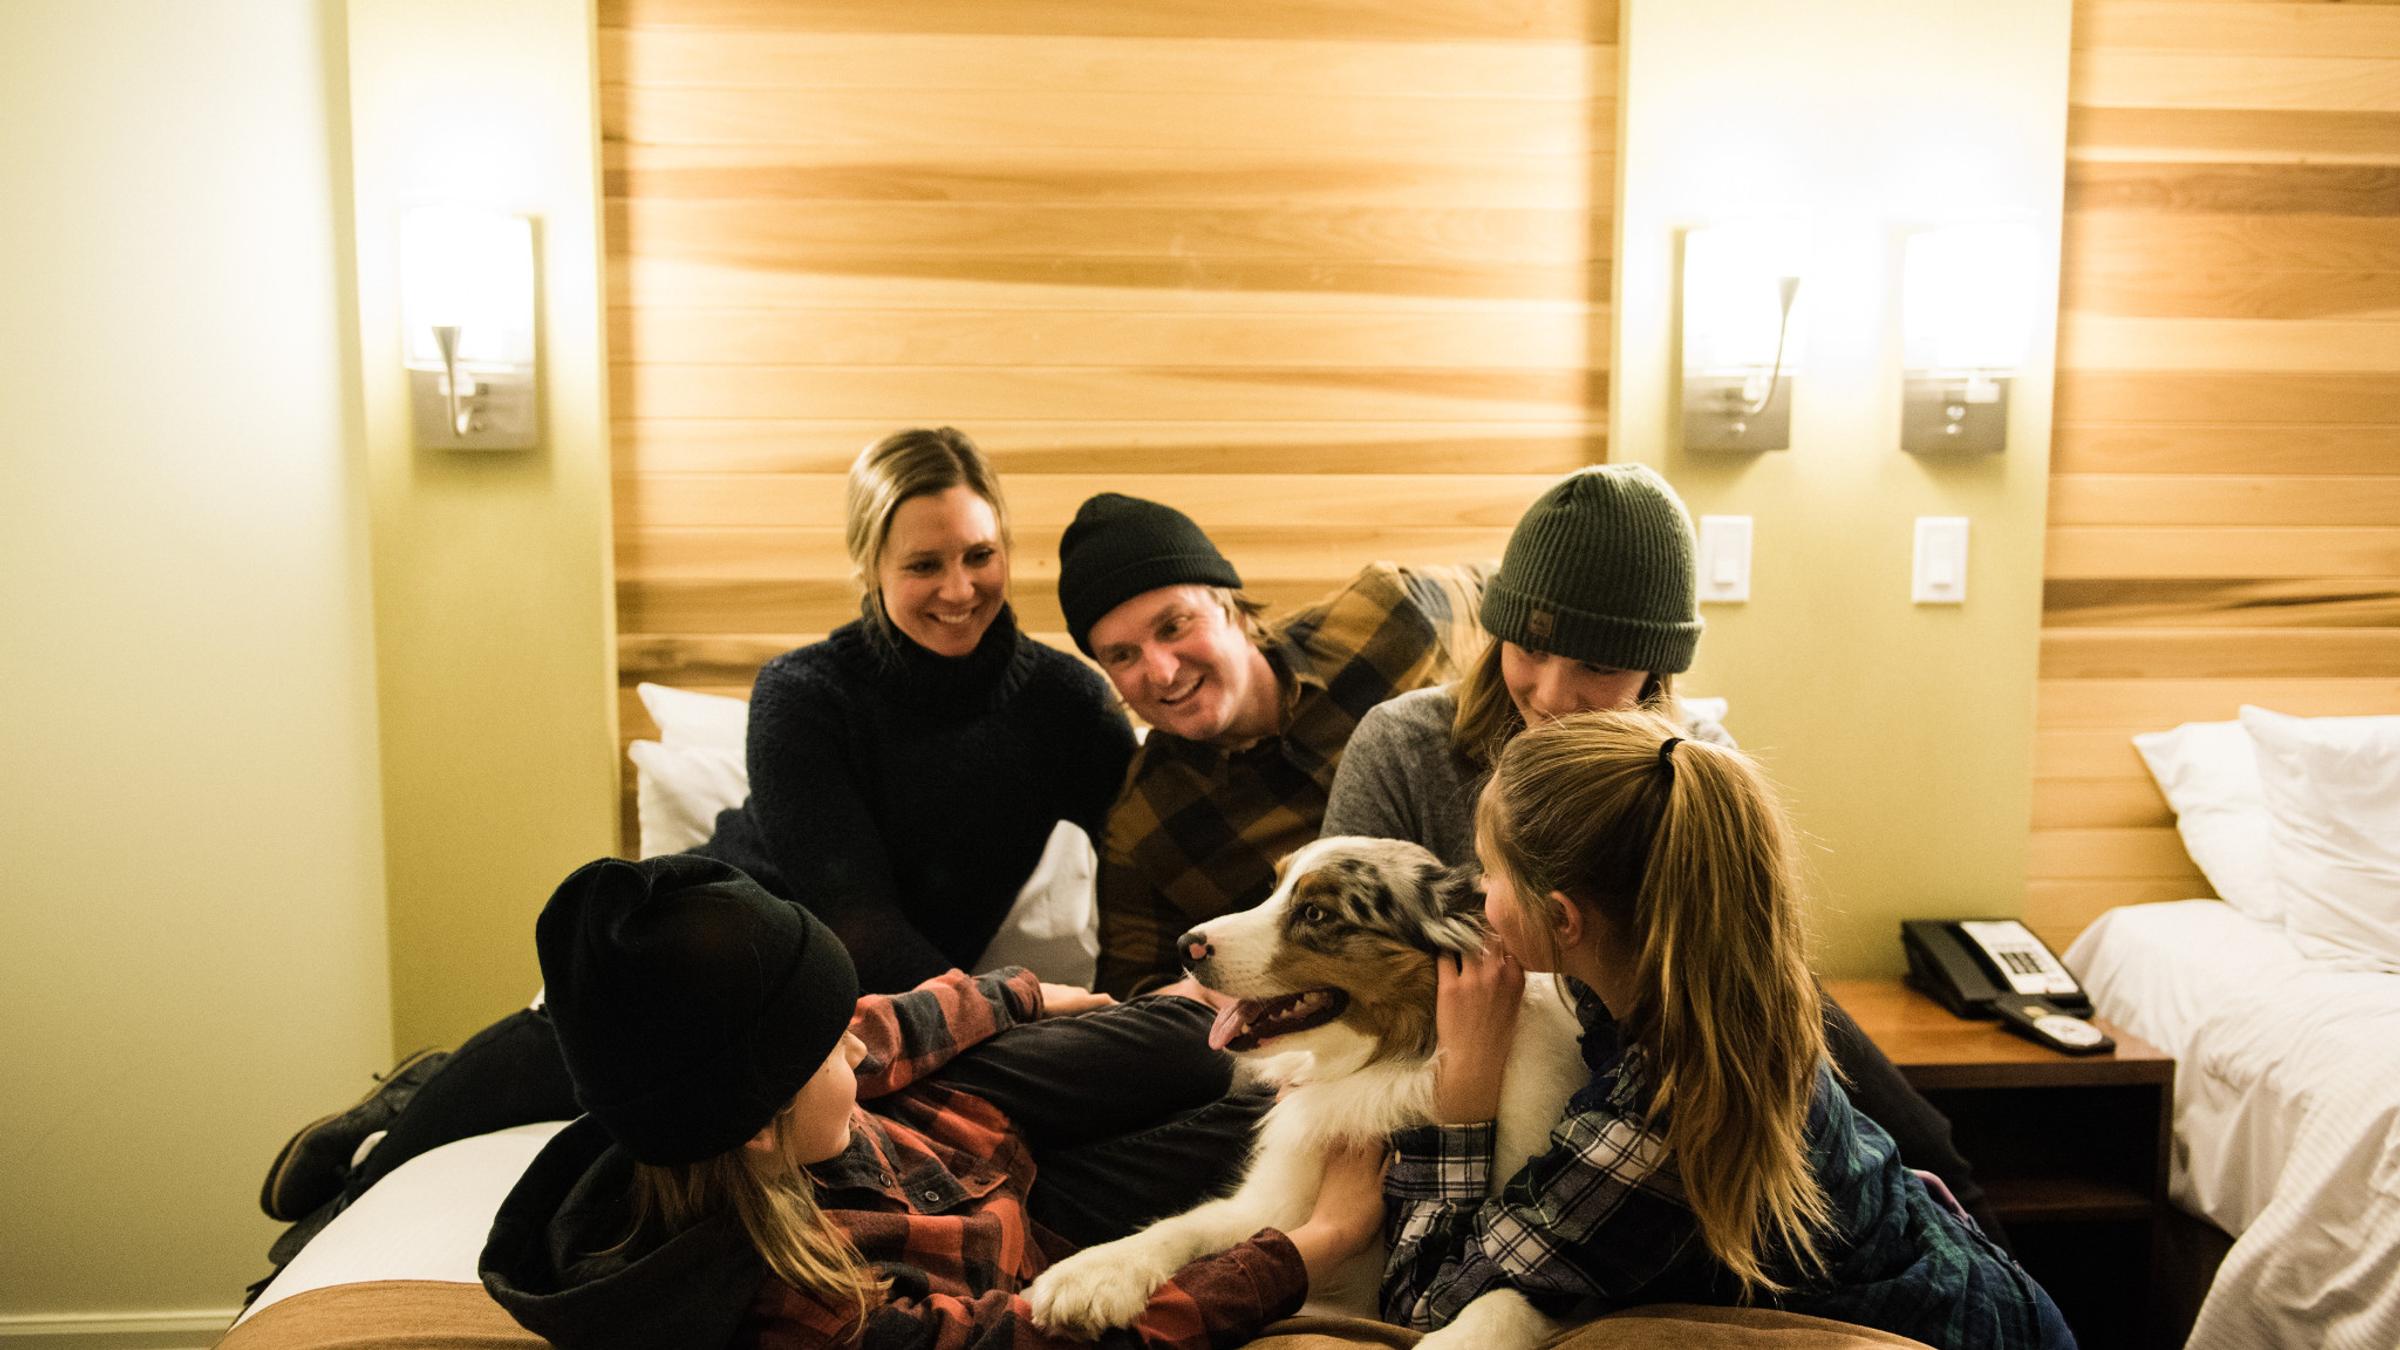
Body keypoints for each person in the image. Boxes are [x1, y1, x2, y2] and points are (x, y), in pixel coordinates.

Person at [258, 428, 1135, 1267]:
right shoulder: (805, 695)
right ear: (867, 566)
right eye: (923, 564)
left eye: (980, 554)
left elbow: (1141, 865)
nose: (959, 587)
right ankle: (364, 1174)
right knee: (583, 1064)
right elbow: (860, 929)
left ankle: (424, 1083)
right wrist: (997, 1016)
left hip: (862, 991)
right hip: (723, 940)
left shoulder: (1068, 710)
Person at [1321, 464, 2007, 1246]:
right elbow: (1340, 958)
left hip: (1657, 1039)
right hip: (1456, 1046)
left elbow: (1743, 965)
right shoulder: (1403, 744)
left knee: (1925, 1145)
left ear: (1656, 669)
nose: (1549, 693)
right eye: (1530, 649)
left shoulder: (1691, 768)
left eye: (1598, 666)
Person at [1346, 711, 2074, 1347]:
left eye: (1490, 870)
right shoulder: (1709, 982)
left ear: (1565, 919)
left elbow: (1424, 1304)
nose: (1476, 890)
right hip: (1980, 1286)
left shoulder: (1659, 1122)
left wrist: (1461, 1094)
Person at [480, 853, 1390, 1350]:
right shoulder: (810, 1310)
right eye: (828, 1042)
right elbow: (1058, 1342)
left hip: (959, 1130)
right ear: (759, 1127)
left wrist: (1021, 995)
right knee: (1255, 1133)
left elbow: (881, 1029)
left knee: (1190, 1048)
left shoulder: (750, 1100)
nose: (856, 1039)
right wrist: (1311, 1250)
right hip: (1021, 1234)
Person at [1053, 492, 1488, 998]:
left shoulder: (1390, 617)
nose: (1162, 672)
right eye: (1123, 656)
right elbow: (1135, 1008)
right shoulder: (1142, 826)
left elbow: (1534, 605)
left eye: (1174, 626)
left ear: (1230, 608)